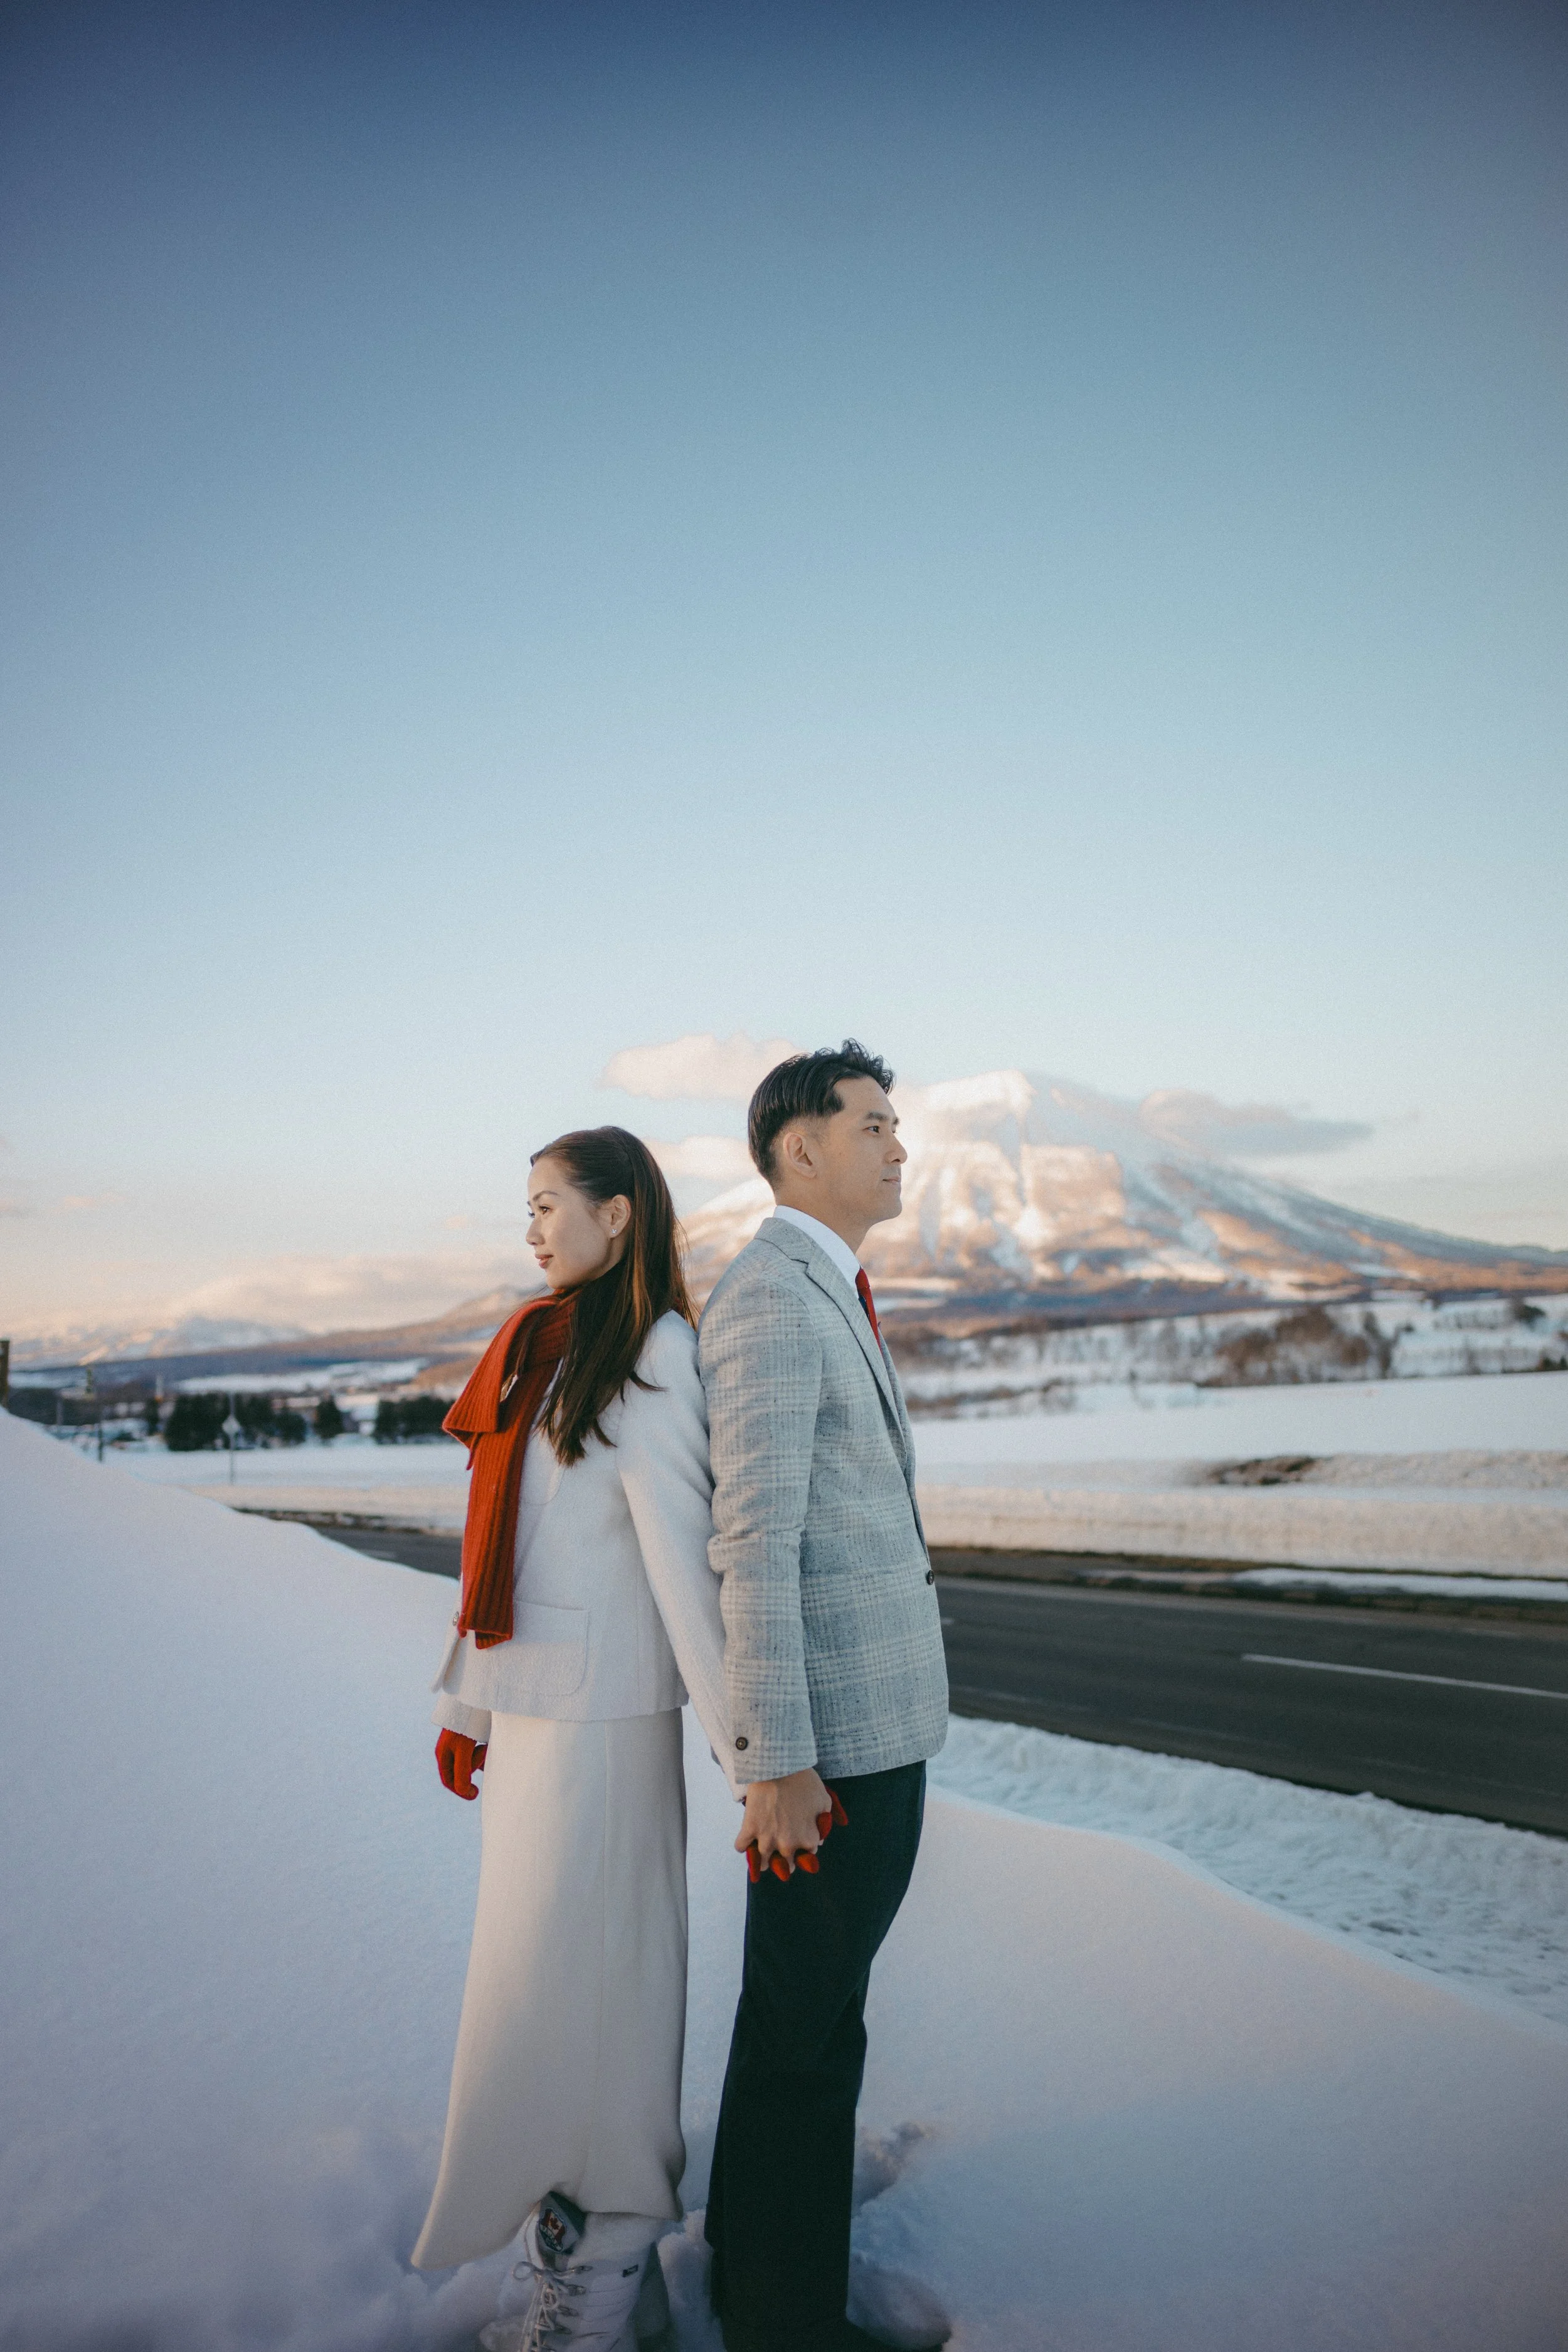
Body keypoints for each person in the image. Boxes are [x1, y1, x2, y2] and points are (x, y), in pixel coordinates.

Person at [411, 1126, 736, 2352]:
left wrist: (749, 1760)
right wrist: (465, 1705)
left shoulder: (651, 1355)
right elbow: (507, 1557)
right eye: (527, 1208)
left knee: (604, 1995)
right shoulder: (541, 1347)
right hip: (536, 1729)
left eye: (551, 1205)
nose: (534, 1228)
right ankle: (591, 2252)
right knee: (539, 1997)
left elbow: (680, 1577)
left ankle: (599, 2283)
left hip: (606, 1731)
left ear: (619, 1216)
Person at [698, 1042, 951, 2352]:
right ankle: (786, 2326)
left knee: (801, 2022)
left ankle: (753, 2272)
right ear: (800, 1146)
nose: (899, 1145)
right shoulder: (770, 1302)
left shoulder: (824, 1286)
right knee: (804, 2043)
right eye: (873, 1123)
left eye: (898, 1123)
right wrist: (777, 1763)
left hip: (869, 1735)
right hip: (828, 1761)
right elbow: (754, 1540)